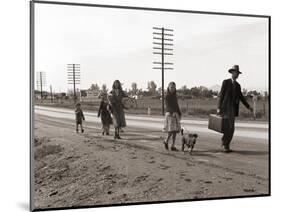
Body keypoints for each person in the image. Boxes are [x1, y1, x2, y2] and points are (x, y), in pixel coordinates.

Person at [217, 65, 253, 152]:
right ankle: (225, 144)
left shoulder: (238, 85)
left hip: (233, 109)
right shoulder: (225, 82)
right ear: (232, 73)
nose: (237, 75)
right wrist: (218, 107)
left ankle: (226, 144)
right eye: (236, 73)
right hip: (225, 108)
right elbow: (221, 95)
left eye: (238, 73)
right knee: (227, 127)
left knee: (231, 128)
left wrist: (248, 107)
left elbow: (241, 97)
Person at [163, 82, 182, 151]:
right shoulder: (167, 96)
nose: (172, 89)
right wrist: (172, 112)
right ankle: (166, 141)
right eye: (171, 87)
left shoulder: (174, 96)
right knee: (171, 131)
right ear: (168, 87)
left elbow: (176, 105)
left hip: (175, 114)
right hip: (170, 114)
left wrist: (179, 113)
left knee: (175, 131)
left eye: (173, 87)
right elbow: (168, 106)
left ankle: (173, 146)